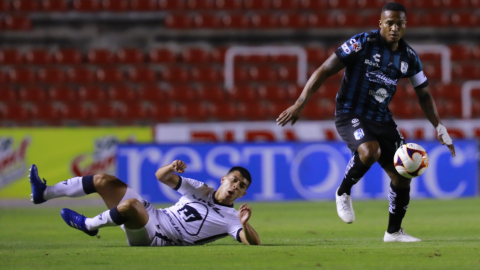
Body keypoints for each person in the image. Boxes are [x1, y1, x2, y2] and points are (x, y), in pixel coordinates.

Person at [276, 2, 456, 242]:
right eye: (389, 22)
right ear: (380, 23)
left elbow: (423, 93)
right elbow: (324, 70)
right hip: (350, 113)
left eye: (399, 23)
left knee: (403, 174)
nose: (394, 28)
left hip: (382, 118)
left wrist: (440, 127)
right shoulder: (362, 43)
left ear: (405, 26)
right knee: (370, 151)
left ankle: (393, 233)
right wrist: (300, 103)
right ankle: (343, 191)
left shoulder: (409, 57)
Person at [28, 160, 261, 246]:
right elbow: (161, 177)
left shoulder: (232, 219)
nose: (235, 186)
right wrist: (170, 167)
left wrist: (245, 223)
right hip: (153, 215)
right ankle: (44, 193)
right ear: (224, 179)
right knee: (102, 179)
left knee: (131, 205)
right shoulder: (200, 189)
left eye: (242, 186)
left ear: (242, 195)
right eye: (234, 180)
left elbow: (254, 243)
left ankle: (88, 225)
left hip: (159, 238)